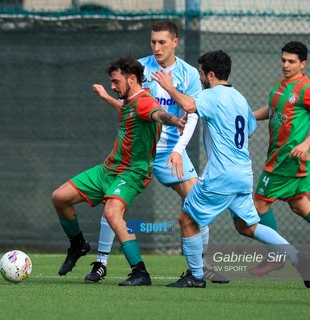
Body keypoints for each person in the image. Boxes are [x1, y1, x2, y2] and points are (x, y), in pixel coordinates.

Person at [85, 20, 228, 284]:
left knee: (197, 204)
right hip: (136, 155)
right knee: (112, 205)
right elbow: (129, 108)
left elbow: (192, 115)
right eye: (153, 41)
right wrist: (108, 98)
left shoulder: (187, 74)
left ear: (175, 42)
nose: (157, 47)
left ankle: (202, 266)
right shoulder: (138, 70)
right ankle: (101, 262)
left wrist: (178, 150)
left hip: (169, 153)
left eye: (162, 42)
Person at [152, 49, 310, 288]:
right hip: (243, 174)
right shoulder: (238, 97)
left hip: (221, 175)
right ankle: (298, 258)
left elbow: (188, 104)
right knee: (248, 226)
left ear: (212, 75)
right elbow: (248, 129)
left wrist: (169, 87)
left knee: (186, 219)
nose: (201, 79)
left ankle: (195, 277)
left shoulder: (213, 96)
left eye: (202, 74)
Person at [52, 56, 186, 286]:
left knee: (113, 214)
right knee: (59, 198)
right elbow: (128, 110)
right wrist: (106, 97)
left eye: (116, 82)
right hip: (108, 169)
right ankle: (78, 245)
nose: (113, 86)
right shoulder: (131, 102)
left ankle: (140, 272)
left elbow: (157, 113)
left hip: (131, 173)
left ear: (132, 78)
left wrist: (175, 120)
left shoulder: (144, 101)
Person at [249, 41, 310, 275]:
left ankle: (275, 257)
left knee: (260, 204)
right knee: (299, 205)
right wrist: (250, 118)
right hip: (279, 156)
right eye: (283, 60)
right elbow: (273, 109)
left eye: (291, 61)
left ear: (302, 64)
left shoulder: (305, 88)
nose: (285, 64)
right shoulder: (280, 84)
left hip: (287, 159)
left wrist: (305, 144)